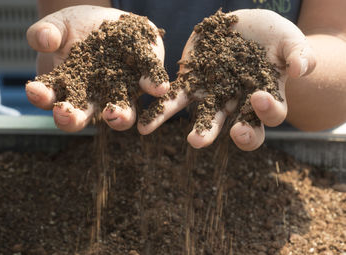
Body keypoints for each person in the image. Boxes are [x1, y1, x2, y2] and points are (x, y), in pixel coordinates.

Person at [25, 0, 346, 151]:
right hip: (117, 141)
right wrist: (83, 55)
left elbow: (336, 37)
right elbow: (57, 58)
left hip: (280, 148)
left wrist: (287, 66)